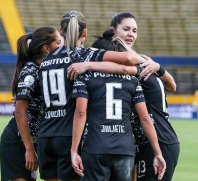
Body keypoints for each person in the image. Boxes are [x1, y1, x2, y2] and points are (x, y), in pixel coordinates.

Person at [38, 10, 148, 181]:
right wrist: (144, 64)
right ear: (85, 33)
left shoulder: (46, 59)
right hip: (68, 133)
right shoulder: (84, 55)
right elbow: (128, 58)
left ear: (60, 31)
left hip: (45, 134)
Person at [70, 34, 166, 181]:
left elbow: (80, 113)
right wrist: (158, 153)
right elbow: (145, 118)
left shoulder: (86, 76)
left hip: (96, 146)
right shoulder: (133, 81)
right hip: (124, 148)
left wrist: (74, 150)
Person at [109, 12, 180, 181]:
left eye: (134, 30)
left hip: (158, 139)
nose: (131, 34)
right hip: (146, 140)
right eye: (126, 29)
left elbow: (172, 86)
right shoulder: (137, 61)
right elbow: (172, 86)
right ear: (113, 30)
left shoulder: (138, 62)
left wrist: (158, 67)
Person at [0, 26, 62, 181]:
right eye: (58, 43)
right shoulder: (31, 71)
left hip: (38, 142)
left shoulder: (50, 70)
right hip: (19, 143)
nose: (62, 47)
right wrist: (29, 149)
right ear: (47, 49)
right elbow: (20, 111)